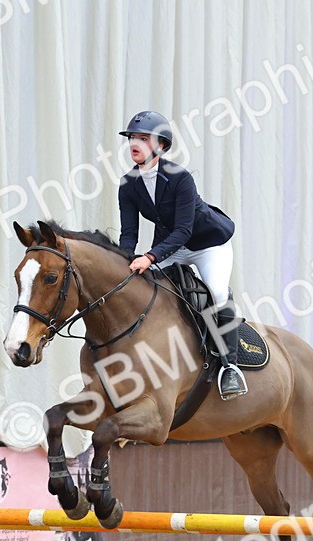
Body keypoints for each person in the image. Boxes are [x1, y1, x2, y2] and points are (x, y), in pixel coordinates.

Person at [116, 111, 248, 400]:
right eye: (132, 139)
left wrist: (149, 257)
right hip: (169, 246)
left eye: (142, 138)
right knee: (142, 285)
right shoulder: (128, 184)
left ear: (161, 146)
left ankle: (230, 367)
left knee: (215, 291)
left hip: (207, 244)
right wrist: (124, 259)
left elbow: (185, 230)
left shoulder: (180, 178)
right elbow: (129, 232)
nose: (134, 144)